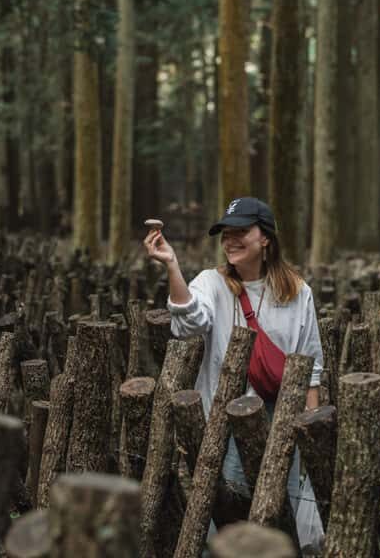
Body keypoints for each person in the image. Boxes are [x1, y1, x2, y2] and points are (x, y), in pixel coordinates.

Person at [143, 196, 324, 551]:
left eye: (242, 231)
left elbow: (311, 368)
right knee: (225, 531)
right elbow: (188, 324)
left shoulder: (298, 292)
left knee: (278, 527)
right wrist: (172, 266)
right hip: (222, 428)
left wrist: (312, 440)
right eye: (226, 233)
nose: (231, 240)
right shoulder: (211, 283)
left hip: (281, 428)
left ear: (266, 238)